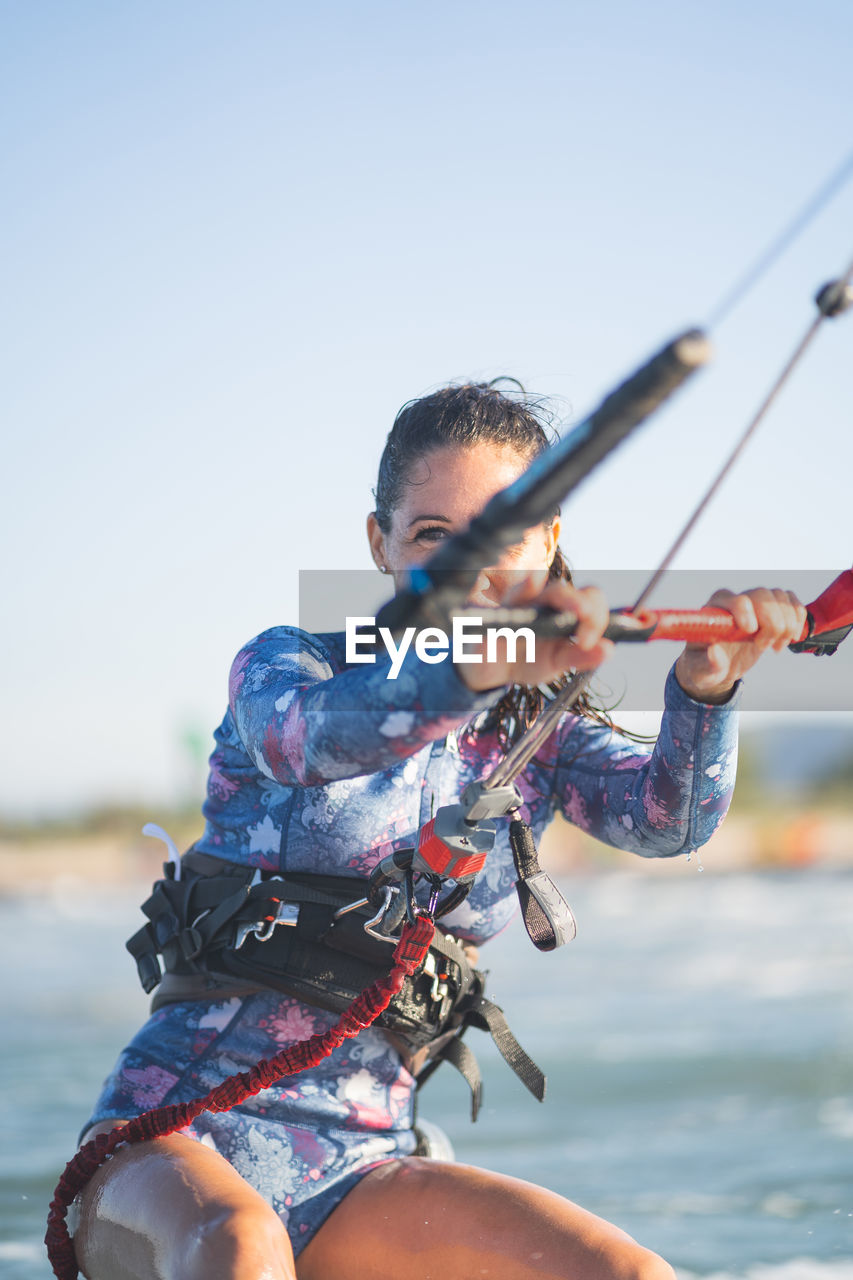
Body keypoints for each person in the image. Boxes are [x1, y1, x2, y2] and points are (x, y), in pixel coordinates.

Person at [72, 383, 806, 1280]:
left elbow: (667, 824)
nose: (473, 571)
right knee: (244, 1250)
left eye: (502, 537)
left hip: (359, 1171)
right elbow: (310, 739)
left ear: (548, 543)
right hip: (169, 1144)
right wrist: (468, 667)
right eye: (432, 536)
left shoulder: (537, 736)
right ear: (379, 544)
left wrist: (706, 691)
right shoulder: (293, 667)